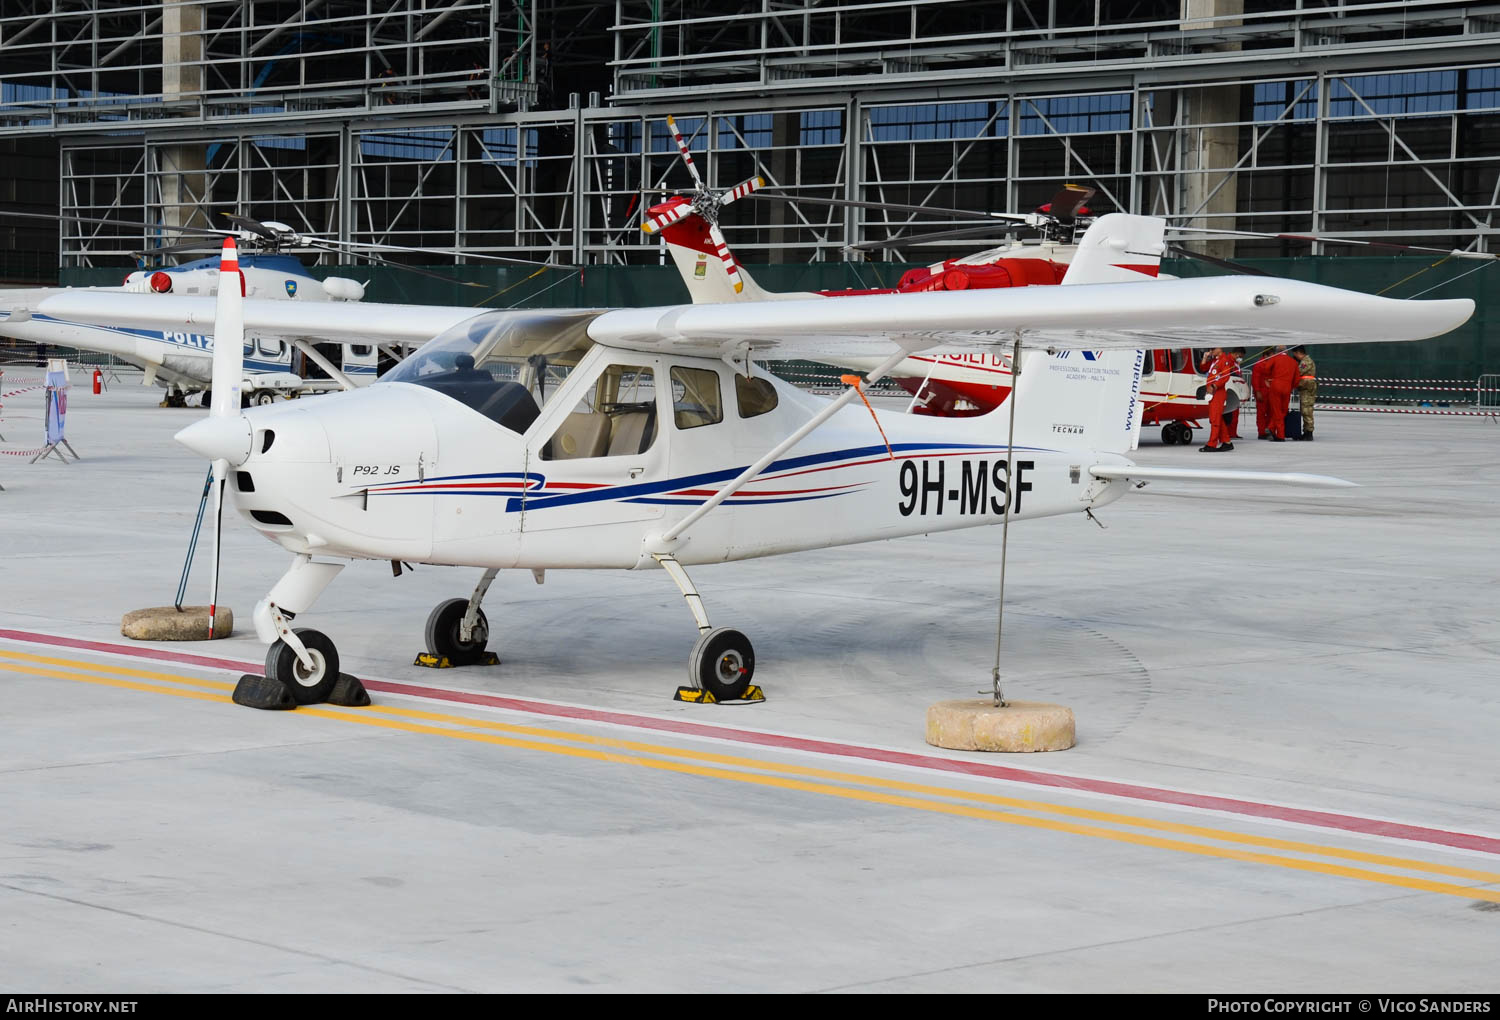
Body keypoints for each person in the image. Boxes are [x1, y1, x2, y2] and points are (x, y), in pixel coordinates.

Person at [1199, 345, 1237, 452]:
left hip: (1218, 392)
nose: (1211, 351)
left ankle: (1212, 443)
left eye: (1213, 349)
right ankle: (1226, 441)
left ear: (1219, 348)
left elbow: (1225, 376)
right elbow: (1203, 368)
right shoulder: (1214, 361)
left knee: (1215, 419)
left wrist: (1215, 386)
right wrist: (1205, 358)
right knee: (1216, 418)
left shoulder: (1224, 361)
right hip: (1212, 392)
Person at [1263, 344, 1299, 442]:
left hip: (1276, 385)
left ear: (1277, 351)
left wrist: (1267, 379)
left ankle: (1279, 433)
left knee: (1277, 410)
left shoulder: (1274, 358)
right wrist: (1291, 387)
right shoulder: (1294, 362)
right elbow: (1296, 380)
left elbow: (1266, 368)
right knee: (1283, 410)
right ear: (1287, 351)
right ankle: (1272, 428)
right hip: (1287, 387)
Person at [1291, 345, 1317, 441]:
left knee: (1307, 411)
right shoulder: (1304, 361)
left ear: (1299, 353)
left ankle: (1309, 432)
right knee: (1304, 409)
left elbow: (1299, 372)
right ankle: (1306, 431)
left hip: (1307, 389)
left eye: (1295, 355)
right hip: (1304, 389)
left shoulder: (1306, 361)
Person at [1251, 346, 1273, 439]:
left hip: (1270, 391)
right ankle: (1261, 432)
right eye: (1271, 355)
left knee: (1270, 412)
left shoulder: (1271, 363)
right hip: (1262, 391)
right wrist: (1257, 391)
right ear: (1266, 355)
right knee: (1261, 413)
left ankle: (1268, 430)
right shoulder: (1259, 364)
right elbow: (1255, 379)